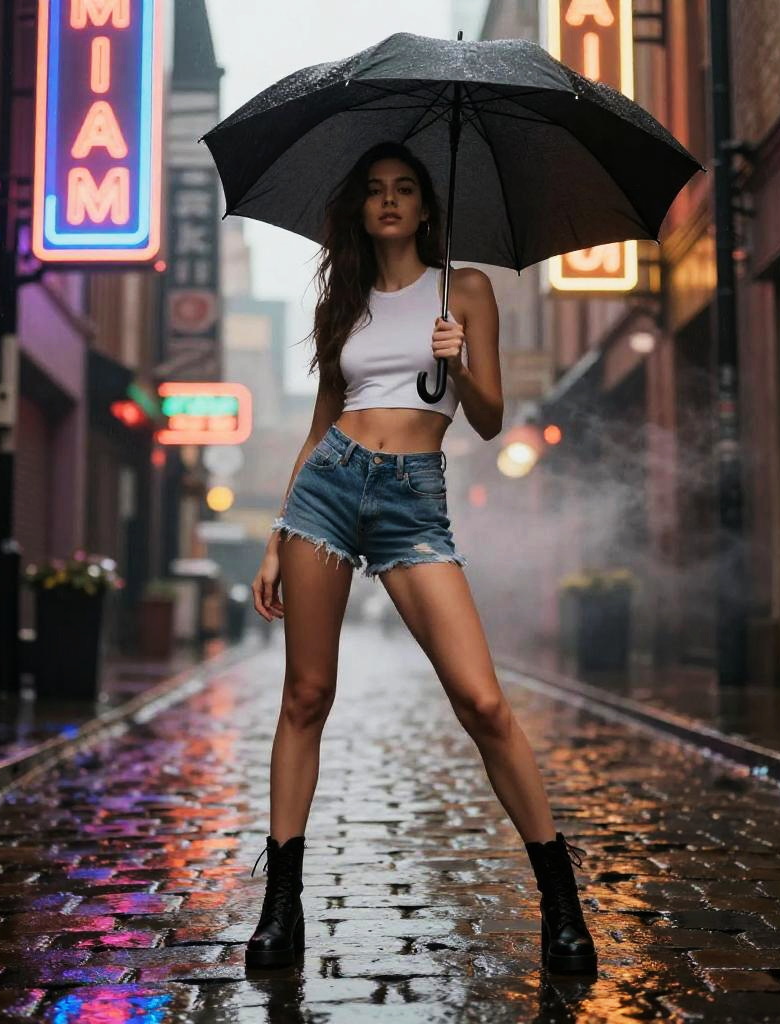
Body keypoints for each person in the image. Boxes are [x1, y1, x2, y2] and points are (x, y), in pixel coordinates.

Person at [246, 141, 596, 975]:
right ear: (362, 209)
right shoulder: (345, 302)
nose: (390, 202)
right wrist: (274, 534)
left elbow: (488, 417)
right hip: (327, 491)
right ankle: (281, 905)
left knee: (482, 702)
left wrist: (459, 360)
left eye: (405, 189)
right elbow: (323, 419)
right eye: (375, 191)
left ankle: (560, 901)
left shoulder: (464, 290)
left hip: (413, 501)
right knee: (306, 694)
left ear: (427, 207)